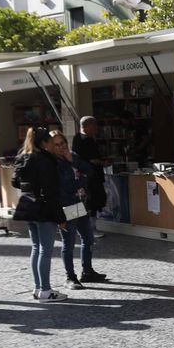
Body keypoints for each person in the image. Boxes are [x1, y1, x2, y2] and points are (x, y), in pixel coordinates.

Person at [10, 125, 68, 301]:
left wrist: (29, 188)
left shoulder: (23, 156)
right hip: (44, 208)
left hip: (28, 206)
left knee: (36, 248)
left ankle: (38, 288)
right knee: (45, 250)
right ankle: (45, 290)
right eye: (50, 142)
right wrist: (61, 218)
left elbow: (15, 181)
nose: (52, 145)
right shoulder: (45, 160)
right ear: (44, 143)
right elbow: (51, 192)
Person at [50, 130, 105, 288]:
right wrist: (82, 180)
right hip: (66, 205)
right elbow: (65, 186)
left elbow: (90, 170)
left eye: (63, 143)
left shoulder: (71, 156)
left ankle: (87, 271)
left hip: (79, 203)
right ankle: (70, 277)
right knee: (69, 243)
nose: (61, 147)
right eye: (57, 145)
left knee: (88, 238)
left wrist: (73, 160)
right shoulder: (54, 163)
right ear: (51, 147)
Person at [72, 115, 112, 222]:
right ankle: (90, 228)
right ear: (87, 126)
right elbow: (92, 159)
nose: (96, 129)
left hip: (82, 176)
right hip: (91, 177)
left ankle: (83, 227)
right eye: (94, 126)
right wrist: (104, 162)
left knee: (86, 202)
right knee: (92, 202)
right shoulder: (87, 140)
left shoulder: (76, 138)